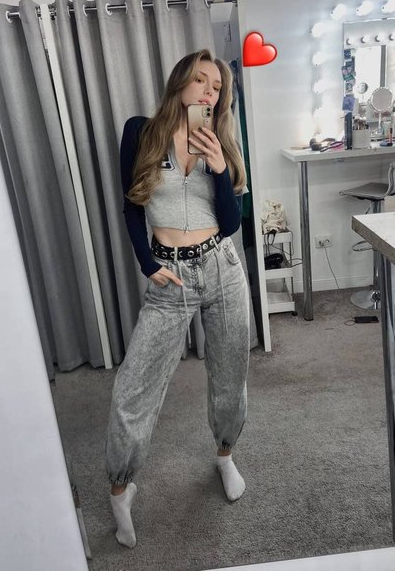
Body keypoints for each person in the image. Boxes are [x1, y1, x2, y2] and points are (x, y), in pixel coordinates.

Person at [105, 49, 250, 548]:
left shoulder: (222, 141)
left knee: (229, 376)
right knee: (134, 389)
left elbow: (230, 225)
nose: (210, 90)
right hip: (171, 277)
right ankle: (120, 488)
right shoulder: (141, 132)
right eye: (201, 79)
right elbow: (131, 206)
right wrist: (148, 263)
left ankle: (225, 455)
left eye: (218, 86)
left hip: (222, 267)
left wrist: (218, 169)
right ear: (180, 82)